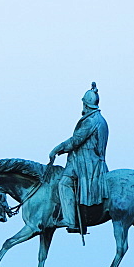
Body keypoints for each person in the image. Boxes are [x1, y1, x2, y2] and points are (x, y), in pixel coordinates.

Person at [48, 81, 109, 232]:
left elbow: (75, 141)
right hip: (91, 160)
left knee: (64, 183)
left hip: (86, 163)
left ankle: (70, 220)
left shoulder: (90, 120)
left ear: (86, 104)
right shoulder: (100, 119)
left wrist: (57, 149)